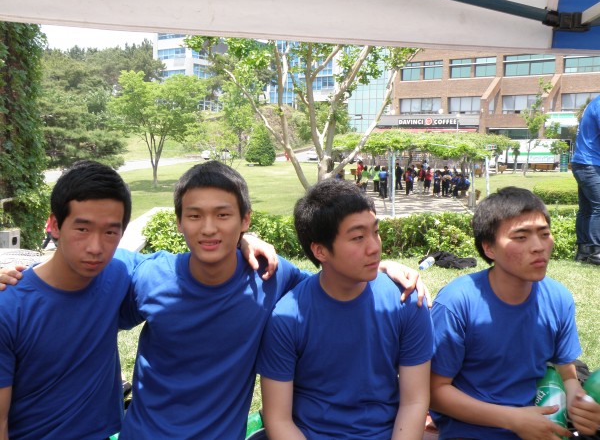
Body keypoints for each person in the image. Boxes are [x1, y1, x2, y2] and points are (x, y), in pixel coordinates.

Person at [0, 162, 428, 439]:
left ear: (245, 220)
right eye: (195, 215)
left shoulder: (270, 276)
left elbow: (330, 279)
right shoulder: (140, 274)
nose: (209, 228)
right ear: (179, 222)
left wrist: (383, 265)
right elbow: (67, 272)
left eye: (223, 215)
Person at [257, 179, 433, 440]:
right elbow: (278, 419)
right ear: (320, 250)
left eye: (375, 231)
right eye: (358, 237)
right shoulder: (287, 318)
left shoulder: (407, 301)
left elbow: (414, 401)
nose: (374, 247)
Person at [429, 186, 600, 440]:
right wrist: (513, 419)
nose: (538, 246)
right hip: (474, 432)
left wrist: (580, 403)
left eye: (544, 234)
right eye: (521, 237)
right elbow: (434, 391)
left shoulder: (558, 298)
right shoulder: (457, 302)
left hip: (541, 427)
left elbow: (568, 374)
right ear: (489, 248)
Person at [0, 160, 133, 439]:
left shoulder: (119, 276)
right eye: (82, 229)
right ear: (54, 225)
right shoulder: (8, 306)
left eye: (110, 232)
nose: (96, 247)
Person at [571, 95, 600, 265]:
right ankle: (597, 252)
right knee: (598, 207)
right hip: (590, 163)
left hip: (582, 162)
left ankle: (583, 251)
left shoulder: (594, 103)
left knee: (587, 209)